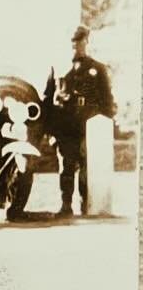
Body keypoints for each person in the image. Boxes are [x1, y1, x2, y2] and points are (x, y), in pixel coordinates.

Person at [44, 25, 115, 217]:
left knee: (86, 168)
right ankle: (65, 205)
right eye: (72, 43)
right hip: (64, 127)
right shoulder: (58, 67)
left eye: (80, 42)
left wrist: (105, 130)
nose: (76, 46)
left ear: (87, 41)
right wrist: (49, 129)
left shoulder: (97, 68)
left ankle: (85, 205)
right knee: (66, 168)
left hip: (88, 126)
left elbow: (107, 101)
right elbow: (48, 98)